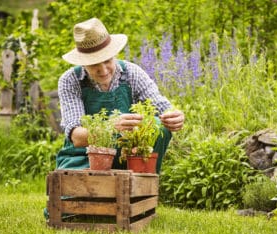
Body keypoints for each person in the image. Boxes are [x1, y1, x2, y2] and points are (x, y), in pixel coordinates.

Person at [56, 17, 184, 173]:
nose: (103, 70)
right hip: (82, 157)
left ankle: (142, 187)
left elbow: (162, 107)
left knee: (160, 127)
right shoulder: (70, 80)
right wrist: (110, 127)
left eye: (107, 61)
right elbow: (76, 136)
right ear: (82, 62)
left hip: (125, 156)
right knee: (82, 189)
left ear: (114, 54)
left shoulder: (132, 73)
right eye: (94, 64)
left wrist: (174, 117)